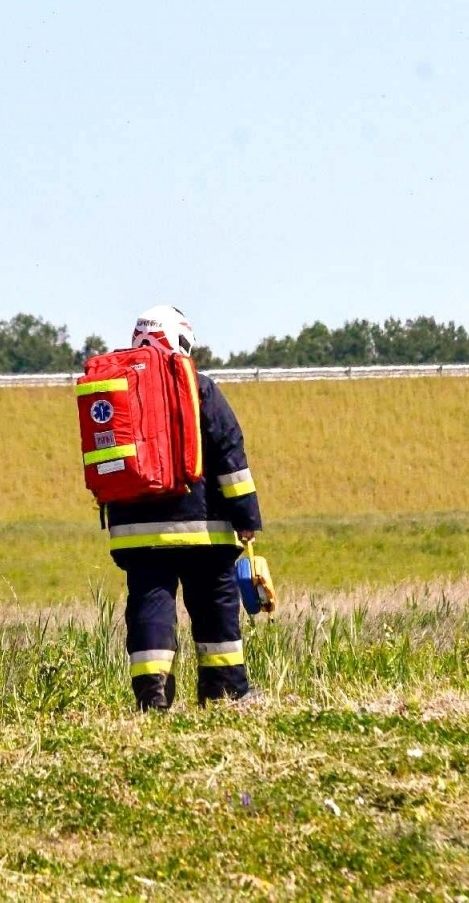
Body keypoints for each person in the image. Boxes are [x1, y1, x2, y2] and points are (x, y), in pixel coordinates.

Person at [105, 305, 263, 711]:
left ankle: (152, 697)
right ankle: (225, 691)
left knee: (149, 608)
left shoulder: (114, 391)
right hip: (202, 528)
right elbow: (230, 455)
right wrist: (247, 517)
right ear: (181, 340)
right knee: (215, 608)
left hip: (136, 534)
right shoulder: (200, 387)